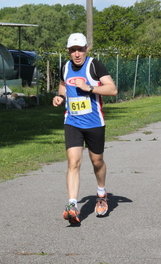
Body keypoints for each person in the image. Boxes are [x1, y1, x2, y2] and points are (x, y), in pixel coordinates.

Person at [52, 33, 118, 224]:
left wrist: (89, 87)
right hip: (72, 122)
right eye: (73, 50)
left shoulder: (94, 66)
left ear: (87, 48)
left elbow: (112, 90)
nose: (77, 54)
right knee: (73, 162)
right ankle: (72, 205)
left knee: (97, 162)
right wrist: (60, 97)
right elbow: (63, 84)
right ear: (68, 51)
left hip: (94, 123)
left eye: (80, 49)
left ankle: (101, 193)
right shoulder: (65, 67)